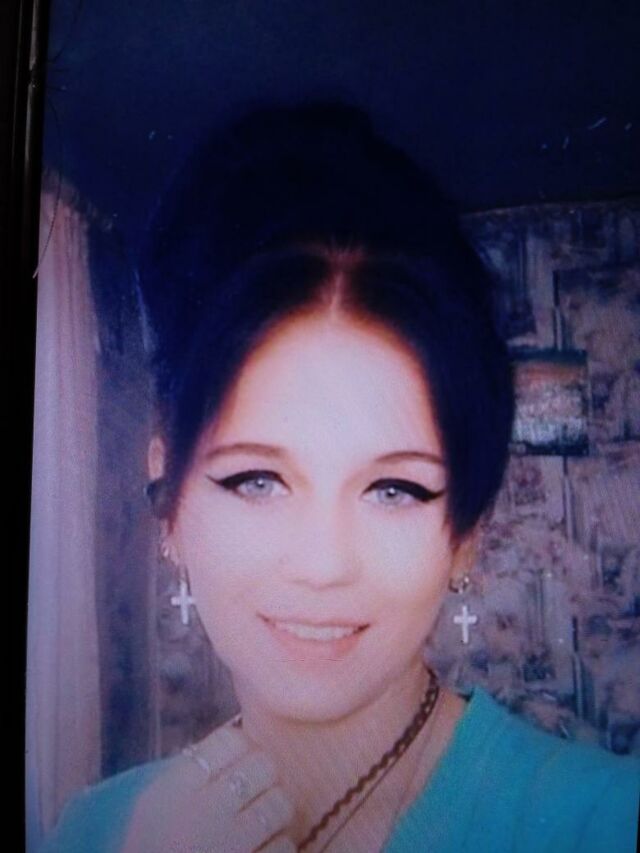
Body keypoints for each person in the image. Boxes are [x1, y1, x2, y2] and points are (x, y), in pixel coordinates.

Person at [40, 101, 639, 853]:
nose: (323, 565)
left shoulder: (607, 822)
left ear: (467, 533)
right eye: (257, 479)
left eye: (394, 490)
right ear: (171, 502)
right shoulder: (92, 833)